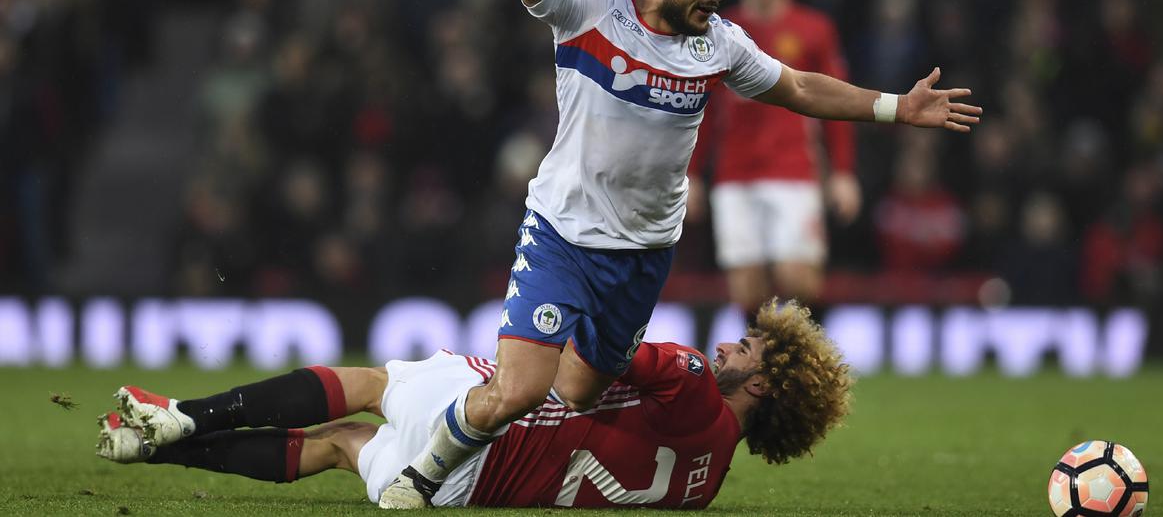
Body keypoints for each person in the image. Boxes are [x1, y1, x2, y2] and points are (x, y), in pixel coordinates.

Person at [370, 0, 979, 508]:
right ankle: (420, 476)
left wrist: (894, 108)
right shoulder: (589, 11)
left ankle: (551, 434)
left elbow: (800, 86)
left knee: (576, 390)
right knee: (521, 388)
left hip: (644, 251)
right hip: (565, 231)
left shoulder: (716, 44)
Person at [97, 301, 853, 509]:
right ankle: (156, 446)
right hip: (466, 492)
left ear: (764, 385)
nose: (728, 347)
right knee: (339, 442)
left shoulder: (692, 382)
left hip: (482, 430)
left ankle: (186, 414)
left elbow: (601, 350)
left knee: (366, 386)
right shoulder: (708, 482)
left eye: (749, 349)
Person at [690, 0, 861, 324]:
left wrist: (843, 172)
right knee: (746, 287)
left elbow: (836, 101)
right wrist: (692, 175)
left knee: (797, 277)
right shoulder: (718, 29)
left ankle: (811, 359)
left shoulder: (814, 29)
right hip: (734, 172)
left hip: (793, 168)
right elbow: (702, 109)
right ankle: (764, 370)